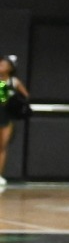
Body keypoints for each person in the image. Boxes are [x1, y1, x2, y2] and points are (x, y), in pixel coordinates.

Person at [0, 58, 26, 186]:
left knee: (2, 147)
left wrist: (16, 102)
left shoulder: (13, 82)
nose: (1, 66)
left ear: (10, 68)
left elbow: (25, 96)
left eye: (3, 64)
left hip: (6, 117)